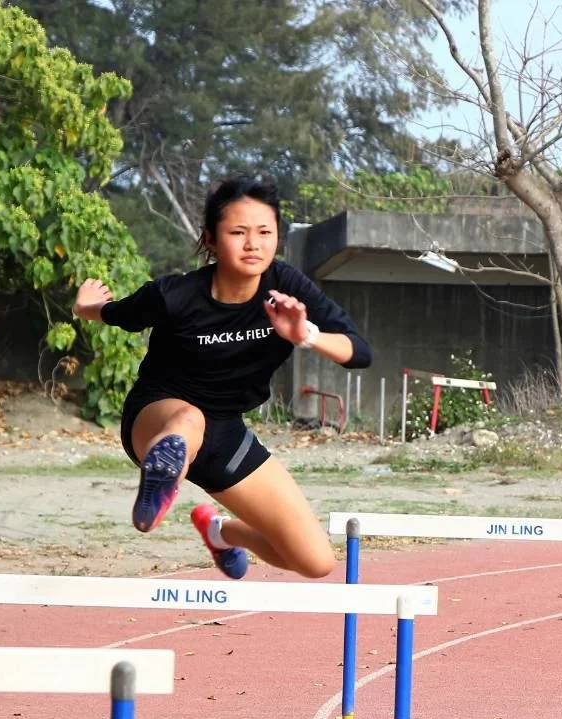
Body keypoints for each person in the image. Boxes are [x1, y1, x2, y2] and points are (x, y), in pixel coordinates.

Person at [72, 173, 372, 580]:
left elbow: (359, 353)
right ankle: (161, 477)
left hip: (225, 432)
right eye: (238, 232)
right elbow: (116, 313)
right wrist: (86, 306)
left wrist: (306, 335)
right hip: (158, 417)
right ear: (211, 239)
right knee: (187, 422)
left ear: (277, 236)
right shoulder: (175, 296)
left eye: (265, 232)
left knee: (314, 561)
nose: (253, 243)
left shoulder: (284, 287)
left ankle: (220, 533)